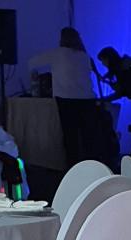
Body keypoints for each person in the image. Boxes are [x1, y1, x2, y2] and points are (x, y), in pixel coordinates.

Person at [28, 27, 106, 167]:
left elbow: (32, 63)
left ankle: (73, 168)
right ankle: (93, 168)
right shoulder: (84, 56)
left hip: (66, 99)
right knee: (88, 137)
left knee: (71, 137)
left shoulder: (56, 54)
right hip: (88, 100)